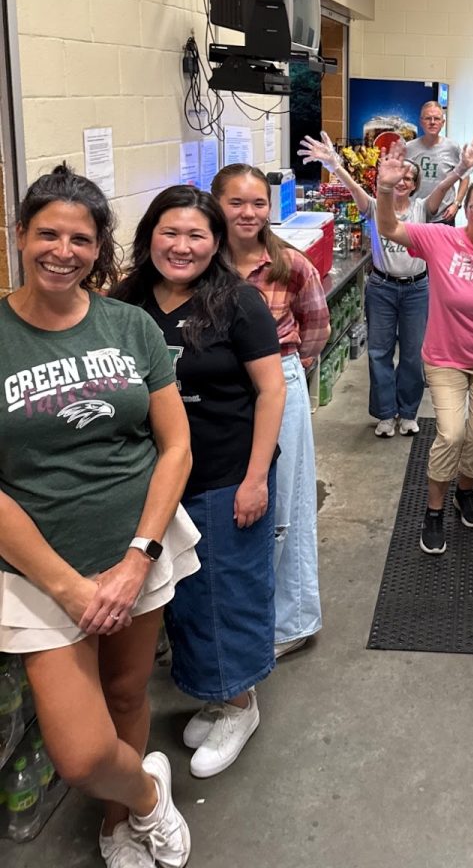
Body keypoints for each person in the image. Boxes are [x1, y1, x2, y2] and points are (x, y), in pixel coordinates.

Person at [0, 165, 196, 868]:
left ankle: (119, 824)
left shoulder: (130, 325)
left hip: (133, 551)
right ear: (19, 235)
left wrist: (139, 555)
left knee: (125, 691)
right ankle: (147, 793)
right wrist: (69, 586)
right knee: (80, 753)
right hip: (37, 573)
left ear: (99, 249)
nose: (63, 250)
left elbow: (174, 447)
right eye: (47, 233)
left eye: (80, 239)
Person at [114, 187, 286, 780]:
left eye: (196, 235)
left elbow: (272, 390)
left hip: (223, 473)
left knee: (226, 592)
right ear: (149, 235)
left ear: (214, 243)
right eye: (170, 232)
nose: (181, 246)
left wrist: (256, 478)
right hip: (157, 479)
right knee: (182, 599)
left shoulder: (237, 301)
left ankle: (240, 703)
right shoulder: (127, 300)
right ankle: (217, 695)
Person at [210, 163, 330, 661]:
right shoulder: (202, 261)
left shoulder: (288, 265)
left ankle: (292, 621)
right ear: (216, 203)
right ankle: (236, 614)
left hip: (278, 380)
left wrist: (284, 374)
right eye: (236, 202)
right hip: (219, 388)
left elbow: (315, 328)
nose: (248, 212)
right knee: (231, 497)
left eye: (258, 203)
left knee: (287, 501)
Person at [375, 142, 473, 554]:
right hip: (445, 358)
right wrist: (385, 191)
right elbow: (388, 229)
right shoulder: (440, 239)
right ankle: (434, 510)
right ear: (465, 208)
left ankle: (465, 491)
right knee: (452, 434)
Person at [298, 131, 473, 438]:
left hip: (417, 289)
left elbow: (442, 186)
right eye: (399, 176)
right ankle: (385, 413)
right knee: (379, 353)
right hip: (382, 288)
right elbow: (352, 186)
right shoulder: (374, 205)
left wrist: (462, 169)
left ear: (413, 185)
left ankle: (408, 411)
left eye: (409, 178)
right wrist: (333, 164)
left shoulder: (422, 208)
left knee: (412, 354)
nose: (403, 182)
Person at [404, 100, 467, 223]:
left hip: (443, 217)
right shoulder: (408, 148)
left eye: (437, 119)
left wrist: (457, 204)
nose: (432, 122)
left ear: (443, 122)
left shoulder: (452, 147)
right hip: (415, 216)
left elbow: (465, 177)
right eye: (428, 118)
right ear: (421, 122)